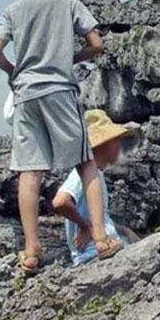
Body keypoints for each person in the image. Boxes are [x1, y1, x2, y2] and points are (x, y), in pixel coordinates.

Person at [0, 0, 122, 274]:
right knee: (85, 163)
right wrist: (72, 58)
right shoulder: (68, 3)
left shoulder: (13, 10)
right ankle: (101, 239)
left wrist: (13, 70)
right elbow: (97, 44)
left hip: (27, 94)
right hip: (61, 90)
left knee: (30, 171)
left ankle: (31, 251)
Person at [52, 109, 140, 265]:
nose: (119, 146)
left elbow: (99, 217)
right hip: (92, 256)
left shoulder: (96, 175)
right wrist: (85, 228)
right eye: (115, 141)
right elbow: (60, 202)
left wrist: (124, 231)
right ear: (105, 144)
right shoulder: (83, 176)